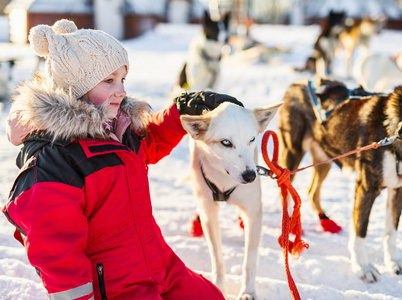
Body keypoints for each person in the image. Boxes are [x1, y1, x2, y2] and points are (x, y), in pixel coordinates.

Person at [2, 19, 241, 300]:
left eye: (122, 79)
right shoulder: (55, 161)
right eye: (109, 80)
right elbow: (55, 250)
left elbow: (147, 143)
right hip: (116, 286)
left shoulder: (116, 127)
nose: (122, 91)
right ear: (76, 87)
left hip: (159, 265)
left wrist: (180, 112)